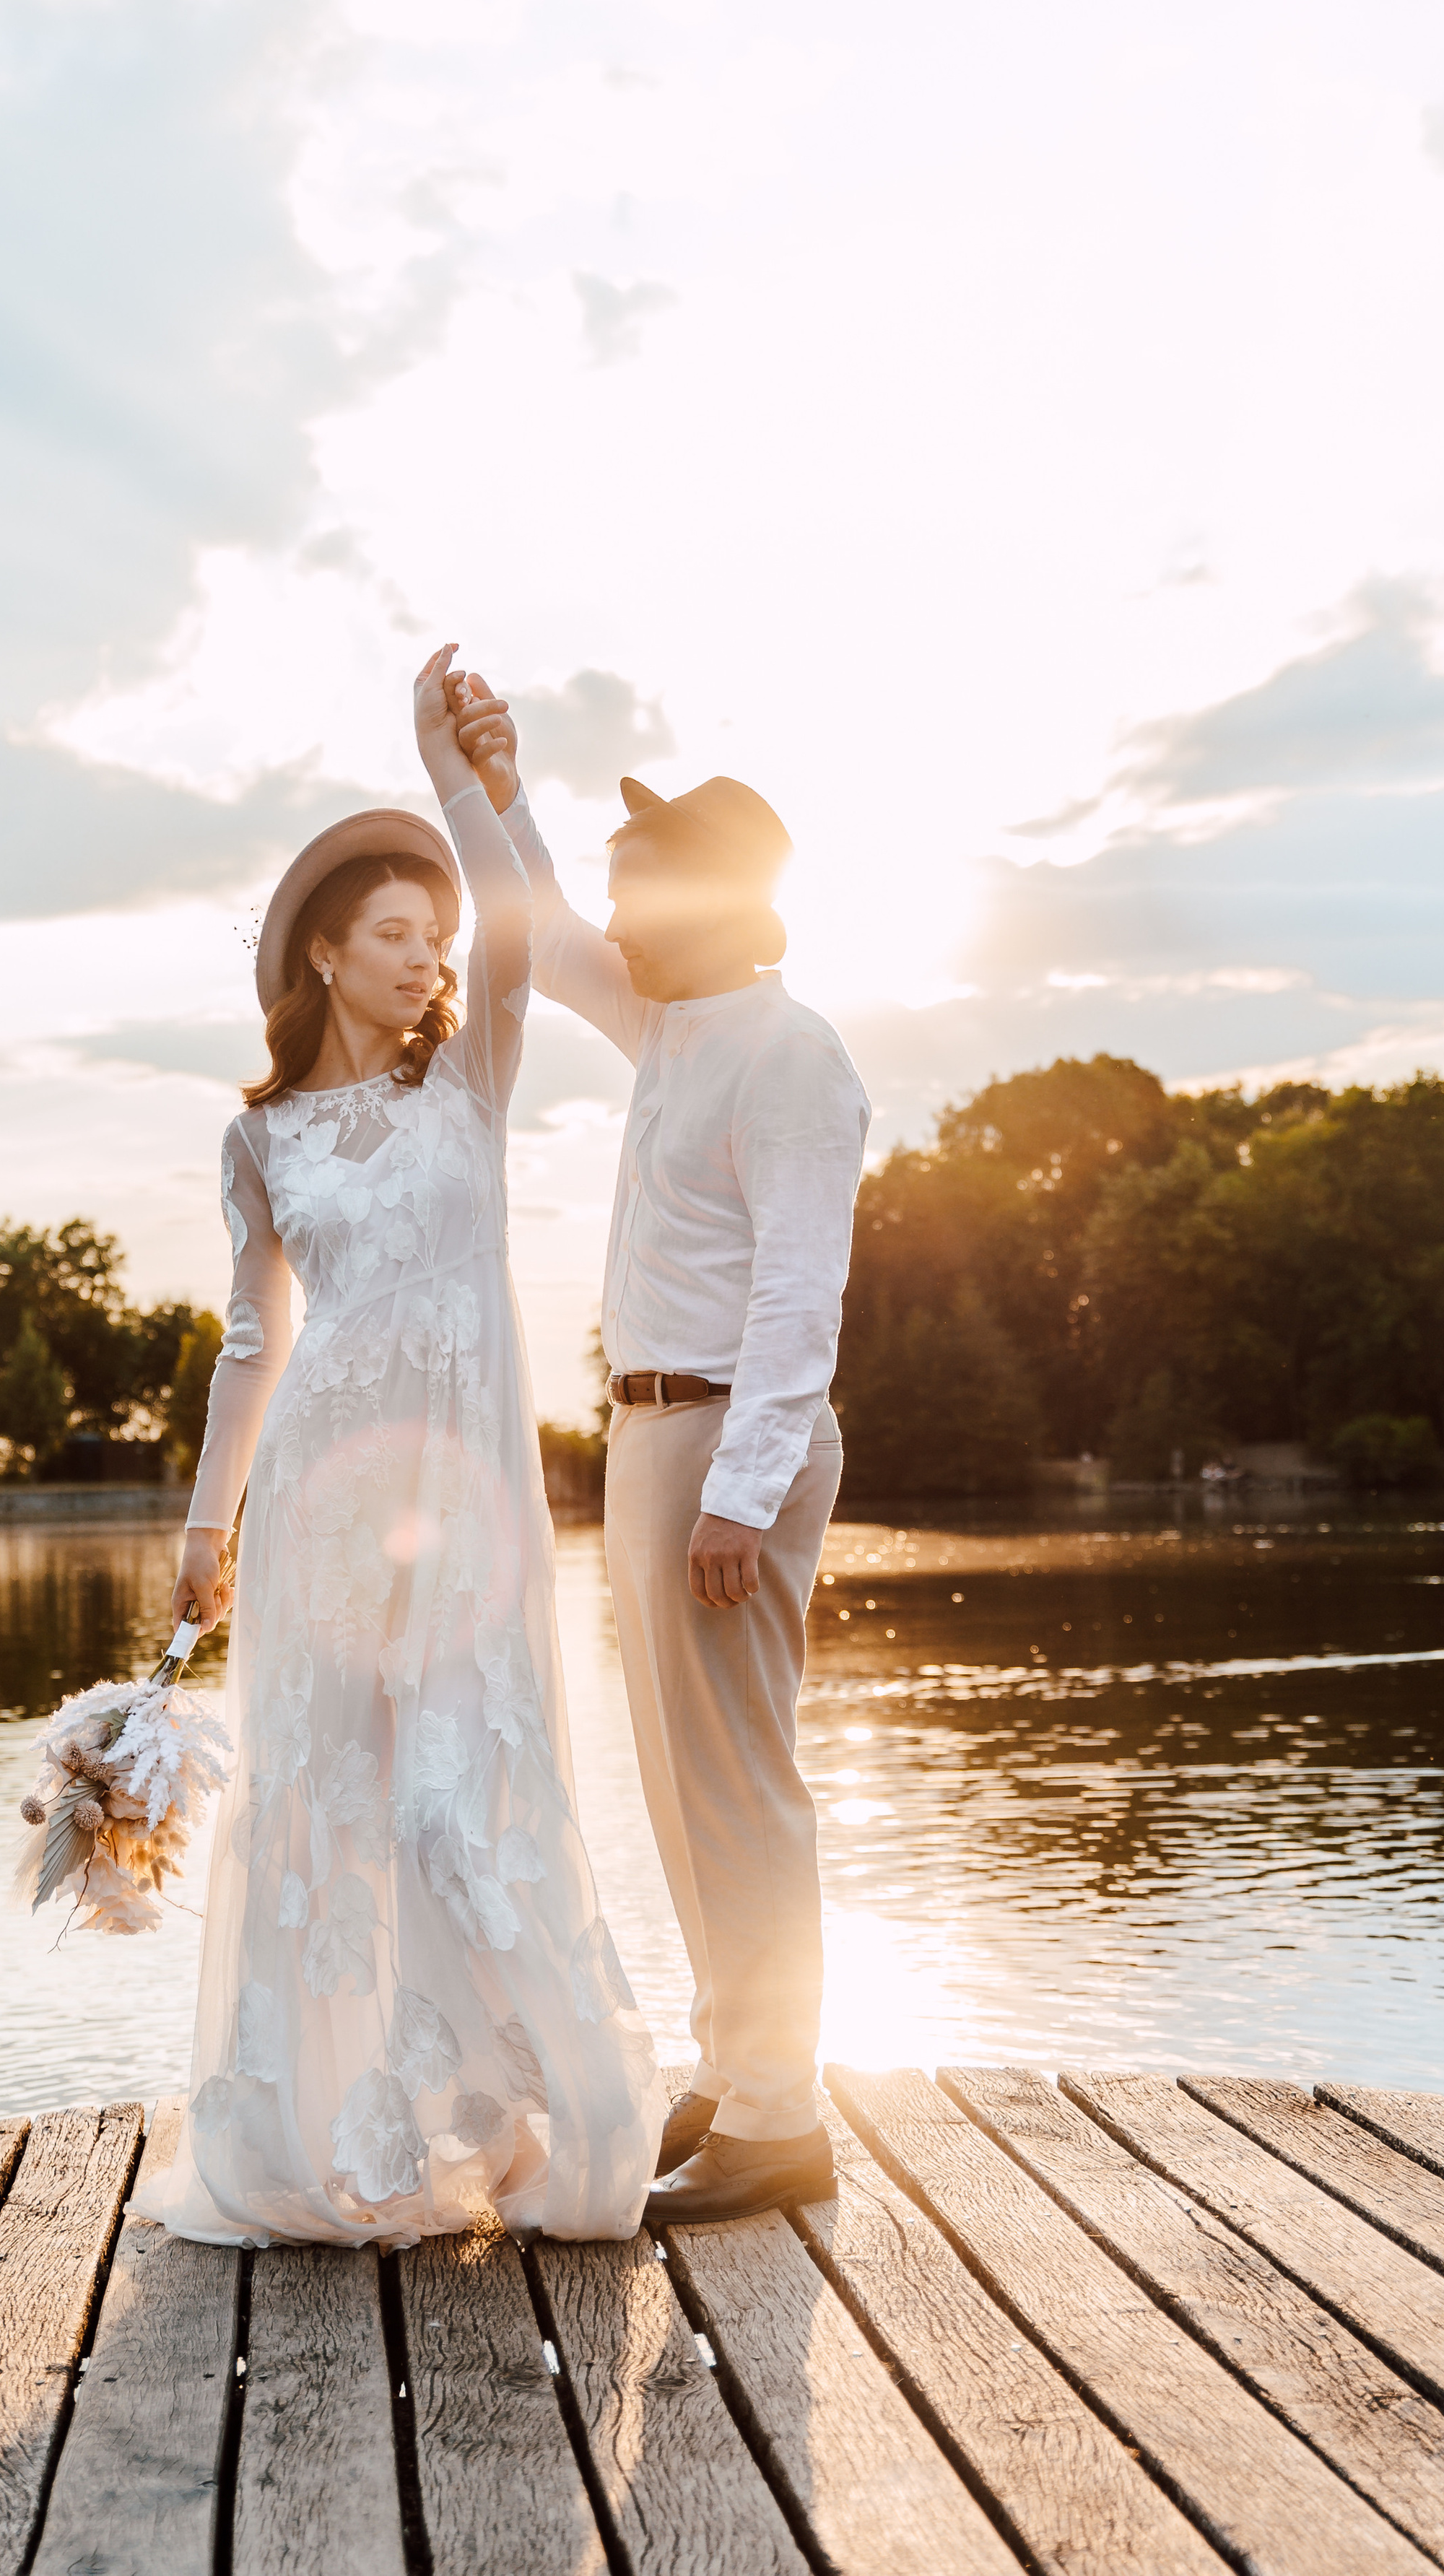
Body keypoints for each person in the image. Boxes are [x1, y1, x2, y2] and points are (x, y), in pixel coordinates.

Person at [144, 645, 665, 2250]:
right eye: (392, 931)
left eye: (430, 936)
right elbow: (254, 1340)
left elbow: (516, 921)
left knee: (456, 1796)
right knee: (329, 1803)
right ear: (323, 949)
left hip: (463, 1502)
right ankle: (334, 2141)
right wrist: (208, 1524)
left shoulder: (474, 1082)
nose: (426, 954)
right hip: (321, 1498)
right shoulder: (261, 1138)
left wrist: (467, 782)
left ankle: (542, 2119)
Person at [453, 672, 871, 2224]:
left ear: (705, 902)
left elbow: (800, 1295)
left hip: (725, 1441)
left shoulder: (789, 1055)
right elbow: (546, 924)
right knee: (682, 1782)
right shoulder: (671, 1025)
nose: (616, 910)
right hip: (654, 1437)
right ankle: (738, 2065)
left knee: (738, 1783)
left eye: (640, 884)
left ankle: (779, 2119)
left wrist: (741, 1496)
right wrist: (498, 785)